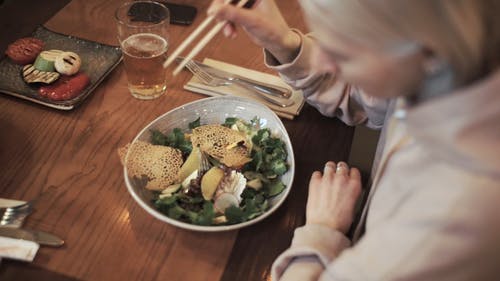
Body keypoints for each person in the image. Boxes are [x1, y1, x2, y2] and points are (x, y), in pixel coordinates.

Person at [208, 0, 500, 280]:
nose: (323, 58)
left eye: (344, 52)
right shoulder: (444, 64)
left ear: (427, 51)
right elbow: (363, 94)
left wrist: (322, 232)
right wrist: (284, 42)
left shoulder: (451, 217)